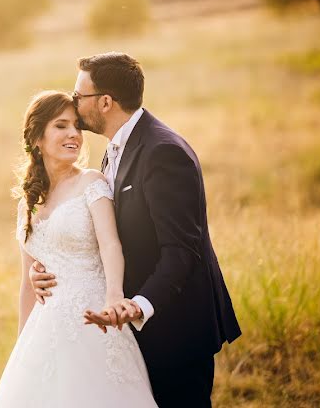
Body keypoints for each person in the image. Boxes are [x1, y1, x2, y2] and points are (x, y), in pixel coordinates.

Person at [30, 52, 241, 406]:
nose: (75, 103)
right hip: (130, 327)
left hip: (175, 325)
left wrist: (139, 305)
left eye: (79, 96)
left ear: (106, 102)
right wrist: (51, 267)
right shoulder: (115, 149)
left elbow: (182, 251)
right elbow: (109, 232)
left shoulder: (162, 152)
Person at [0, 90, 157, 407]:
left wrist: (113, 297)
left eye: (76, 127)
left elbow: (111, 245)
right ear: (36, 138)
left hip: (93, 318)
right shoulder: (27, 203)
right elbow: (27, 283)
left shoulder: (91, 183)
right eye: (61, 126)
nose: (73, 135)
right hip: (46, 326)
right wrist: (22, 344)